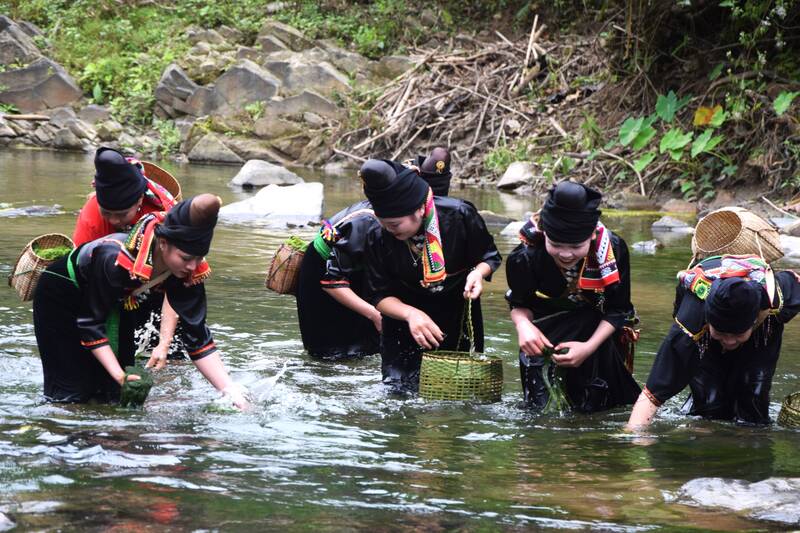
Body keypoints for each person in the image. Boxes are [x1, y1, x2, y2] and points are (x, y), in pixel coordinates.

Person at [33, 194, 249, 409]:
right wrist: (119, 375)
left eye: (199, 258)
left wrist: (230, 391)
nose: (193, 267)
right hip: (61, 296)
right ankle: (59, 427)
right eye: (185, 258)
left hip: (120, 300)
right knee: (72, 392)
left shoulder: (187, 271)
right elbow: (90, 323)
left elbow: (198, 338)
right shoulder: (114, 258)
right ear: (163, 243)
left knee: (118, 395)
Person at [295, 149, 454, 360]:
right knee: (337, 352)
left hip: (362, 270)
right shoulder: (372, 222)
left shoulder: (413, 217)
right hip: (326, 277)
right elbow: (331, 281)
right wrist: (375, 314)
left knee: (374, 344)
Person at [361, 158, 501, 391]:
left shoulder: (459, 215)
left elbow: (489, 255)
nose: (388, 230)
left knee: (456, 391)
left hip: (456, 314)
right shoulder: (377, 234)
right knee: (399, 393)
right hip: (402, 322)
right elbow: (377, 295)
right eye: (383, 223)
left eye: (394, 224)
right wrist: (411, 315)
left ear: (419, 209)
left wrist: (478, 274)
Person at [505, 181, 641, 412]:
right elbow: (519, 304)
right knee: (540, 413)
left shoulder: (613, 250)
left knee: (603, 409)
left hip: (599, 337)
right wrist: (523, 326)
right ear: (544, 234)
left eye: (576, 246)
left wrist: (588, 347)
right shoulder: (524, 257)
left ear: (591, 237)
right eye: (555, 244)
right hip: (545, 341)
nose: (566, 254)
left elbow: (618, 309)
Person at [626, 254, 800, 428]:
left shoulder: (777, 297)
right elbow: (653, 393)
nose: (730, 341)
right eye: (722, 333)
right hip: (704, 338)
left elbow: (795, 280)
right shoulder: (691, 322)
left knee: (753, 397)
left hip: (761, 332)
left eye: (737, 334)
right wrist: (634, 436)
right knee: (710, 400)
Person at [73, 147, 180, 369]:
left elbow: (179, 283)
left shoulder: (167, 216)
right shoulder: (91, 215)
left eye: (122, 214)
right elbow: (82, 279)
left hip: (160, 285)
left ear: (140, 200)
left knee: (172, 357)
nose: (113, 220)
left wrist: (165, 342)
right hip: (113, 286)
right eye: (107, 213)